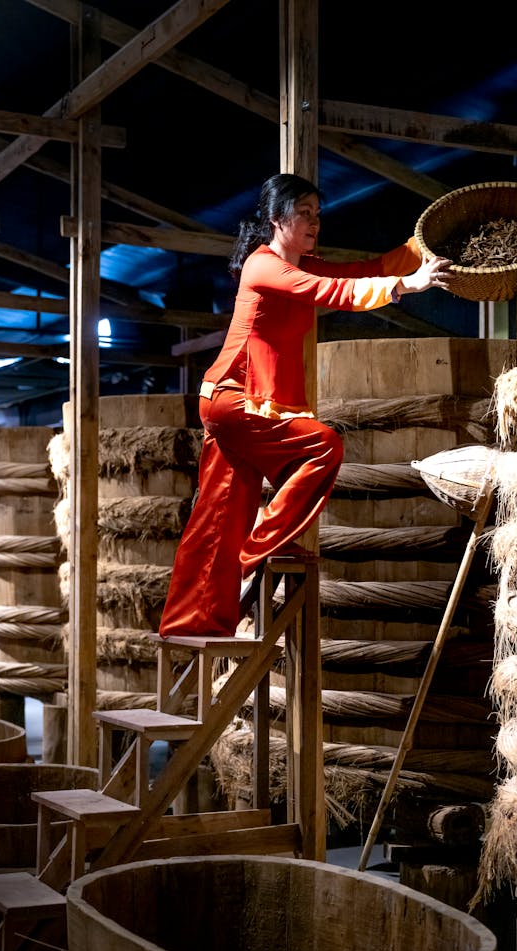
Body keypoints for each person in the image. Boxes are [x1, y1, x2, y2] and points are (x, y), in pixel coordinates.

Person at [159, 172, 453, 637]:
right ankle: (262, 547)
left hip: (243, 405)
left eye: (318, 213)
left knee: (217, 518)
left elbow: (355, 273)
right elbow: (331, 292)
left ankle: (196, 624)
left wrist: (416, 251)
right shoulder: (263, 266)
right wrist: (407, 286)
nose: (316, 222)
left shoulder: (303, 265)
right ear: (277, 219)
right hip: (234, 399)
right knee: (323, 446)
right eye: (304, 213)